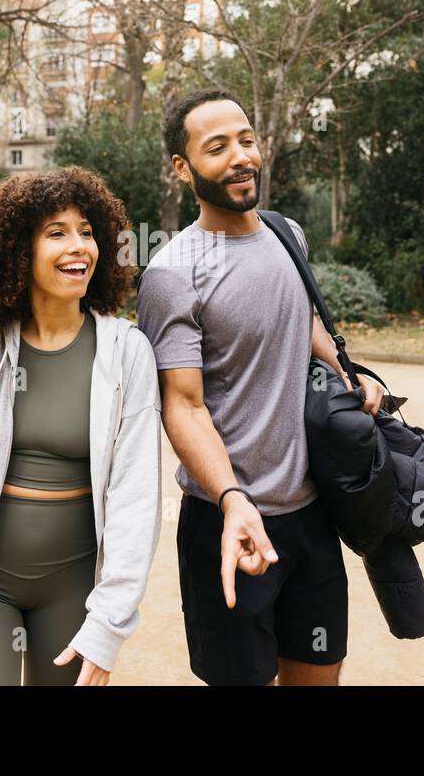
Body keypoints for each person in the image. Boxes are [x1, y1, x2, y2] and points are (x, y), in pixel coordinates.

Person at [137, 88, 386, 686]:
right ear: (183, 167)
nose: (240, 156)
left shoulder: (287, 234)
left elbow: (301, 327)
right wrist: (231, 499)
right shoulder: (172, 273)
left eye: (246, 140)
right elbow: (184, 405)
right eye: (217, 147)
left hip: (310, 514)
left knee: (320, 673)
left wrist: (350, 371)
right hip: (225, 521)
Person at [0, 167, 162, 685]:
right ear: (19, 250)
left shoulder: (126, 351)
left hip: (74, 588)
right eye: (56, 232)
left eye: (86, 231)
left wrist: (109, 623)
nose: (77, 246)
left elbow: (136, 497)